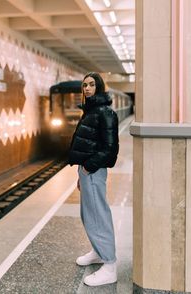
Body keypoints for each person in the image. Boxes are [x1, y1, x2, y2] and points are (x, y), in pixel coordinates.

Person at [68, 72, 119, 287]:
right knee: (88, 214)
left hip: (94, 170)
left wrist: (89, 167)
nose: (87, 88)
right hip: (87, 170)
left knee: (98, 215)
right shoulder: (92, 110)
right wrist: (81, 172)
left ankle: (109, 265)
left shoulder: (105, 112)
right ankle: (98, 252)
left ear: (98, 86)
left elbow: (110, 149)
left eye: (91, 84)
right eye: (84, 85)